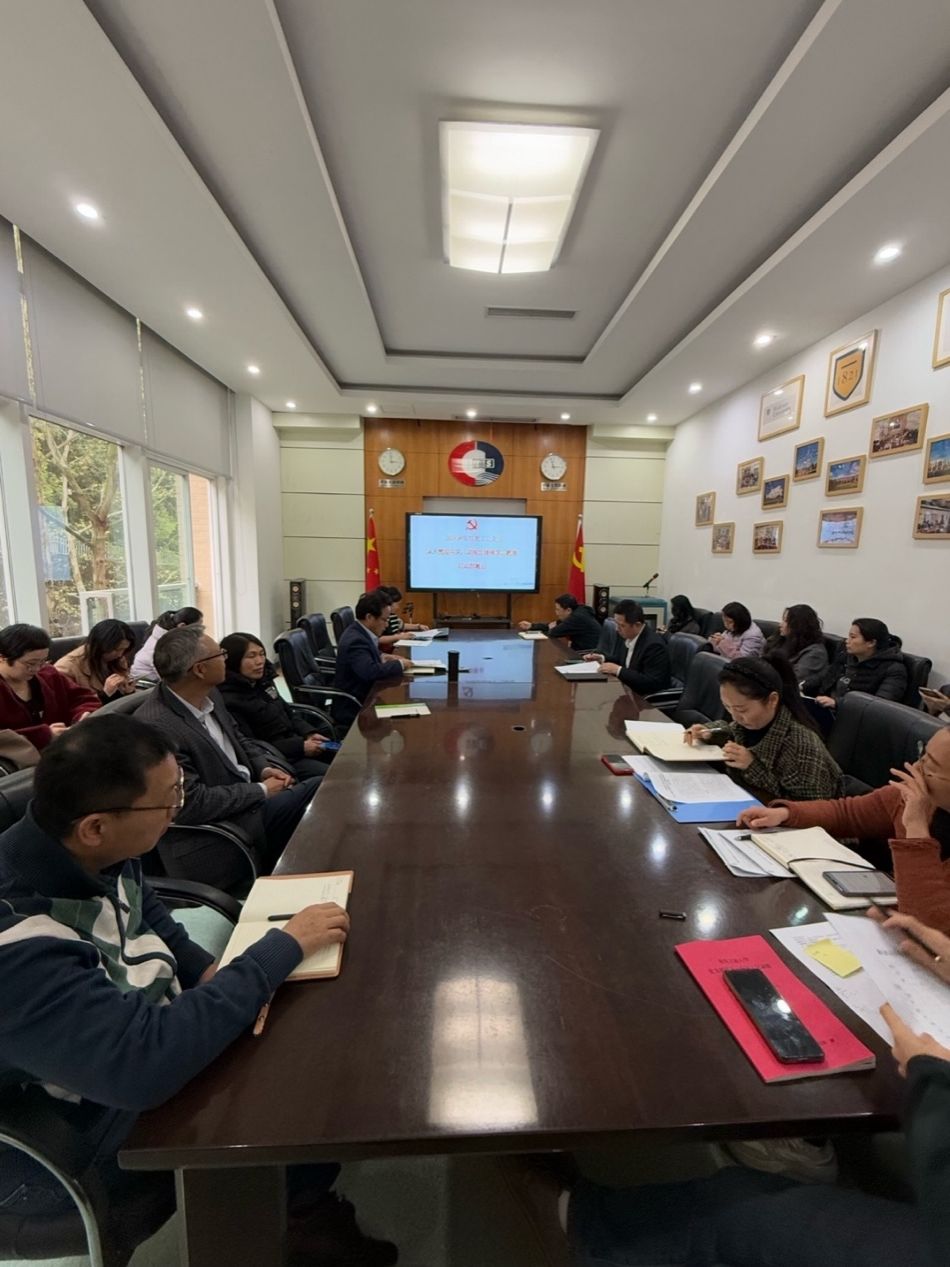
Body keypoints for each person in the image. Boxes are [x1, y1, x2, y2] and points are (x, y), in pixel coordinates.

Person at [0, 715, 396, 1266]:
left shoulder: (94, 849)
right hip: (61, 1142)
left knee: (297, 1029)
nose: (177, 810)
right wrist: (278, 950)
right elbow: (141, 1065)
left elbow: (148, 915)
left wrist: (208, 972)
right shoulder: (17, 940)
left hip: (122, 1046)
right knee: (286, 1084)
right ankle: (293, 1220)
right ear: (95, 827)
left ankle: (301, 1200)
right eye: (169, 800)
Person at [138, 627, 322, 891]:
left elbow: (240, 739)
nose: (226, 659)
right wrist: (260, 790)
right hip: (223, 828)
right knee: (319, 788)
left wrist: (264, 769)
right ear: (200, 669)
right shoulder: (158, 726)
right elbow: (191, 802)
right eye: (220, 654)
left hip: (247, 801)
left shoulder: (210, 694)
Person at [737, 726, 950, 932]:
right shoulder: (911, 798)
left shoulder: (917, 803)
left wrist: (915, 829)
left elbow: (931, 927)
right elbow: (847, 813)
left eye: (929, 767)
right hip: (884, 920)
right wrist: (786, 814)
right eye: (922, 756)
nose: (916, 769)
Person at [686, 655, 844, 802]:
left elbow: (811, 808)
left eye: (742, 710)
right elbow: (730, 729)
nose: (735, 717)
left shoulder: (801, 746)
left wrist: (752, 766)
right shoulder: (755, 721)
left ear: (772, 700)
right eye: (727, 707)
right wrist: (707, 732)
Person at [218, 632, 333, 780]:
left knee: (348, 759)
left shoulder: (263, 682)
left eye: (262, 654)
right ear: (234, 660)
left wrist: (309, 732)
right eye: (251, 656)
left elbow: (288, 712)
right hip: (279, 759)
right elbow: (253, 746)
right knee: (334, 776)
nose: (260, 661)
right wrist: (300, 747)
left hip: (297, 742)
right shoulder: (228, 699)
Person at [0, 623, 99, 751]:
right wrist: (42, 735)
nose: (36, 669)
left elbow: (83, 698)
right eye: (30, 663)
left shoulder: (48, 675)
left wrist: (83, 714)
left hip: (64, 750)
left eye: (42, 662)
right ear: (2, 657)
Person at [334, 592, 411, 730]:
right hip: (357, 706)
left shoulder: (360, 632)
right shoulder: (355, 640)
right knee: (407, 716)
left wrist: (382, 656)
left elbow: (365, 657)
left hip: (369, 698)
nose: (387, 625)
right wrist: (400, 665)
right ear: (369, 617)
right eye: (384, 620)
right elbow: (370, 672)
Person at [815, 617, 908, 710]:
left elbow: (880, 708)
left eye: (853, 637)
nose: (847, 641)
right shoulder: (845, 656)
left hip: (854, 716)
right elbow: (825, 681)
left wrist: (837, 704)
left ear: (871, 643)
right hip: (826, 710)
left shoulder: (893, 670)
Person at [583, 599, 671, 695]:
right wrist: (602, 658)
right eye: (616, 624)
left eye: (621, 625)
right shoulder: (629, 636)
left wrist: (618, 670)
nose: (617, 629)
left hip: (644, 698)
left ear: (637, 625)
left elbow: (651, 682)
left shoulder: (654, 645)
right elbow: (622, 661)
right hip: (627, 690)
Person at [53, 617, 137, 701]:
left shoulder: (118, 659)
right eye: (116, 649)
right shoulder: (67, 668)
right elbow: (68, 705)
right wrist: (104, 695)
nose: (120, 654)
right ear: (101, 645)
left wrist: (128, 691)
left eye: (124, 649)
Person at [766, 604, 828, 694]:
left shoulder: (815, 653)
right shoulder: (782, 640)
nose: (780, 625)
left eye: (786, 621)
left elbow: (792, 680)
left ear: (798, 626)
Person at [130, 605, 203, 681]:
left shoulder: (170, 638)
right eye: (198, 627)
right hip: (145, 684)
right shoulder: (163, 644)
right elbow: (170, 678)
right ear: (182, 626)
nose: (201, 631)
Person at [517, 593, 602, 652]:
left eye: (558, 610)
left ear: (568, 610)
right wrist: (531, 626)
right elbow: (552, 625)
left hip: (588, 653)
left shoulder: (577, 618)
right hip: (580, 650)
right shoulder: (576, 611)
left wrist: (550, 629)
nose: (556, 613)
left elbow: (553, 632)